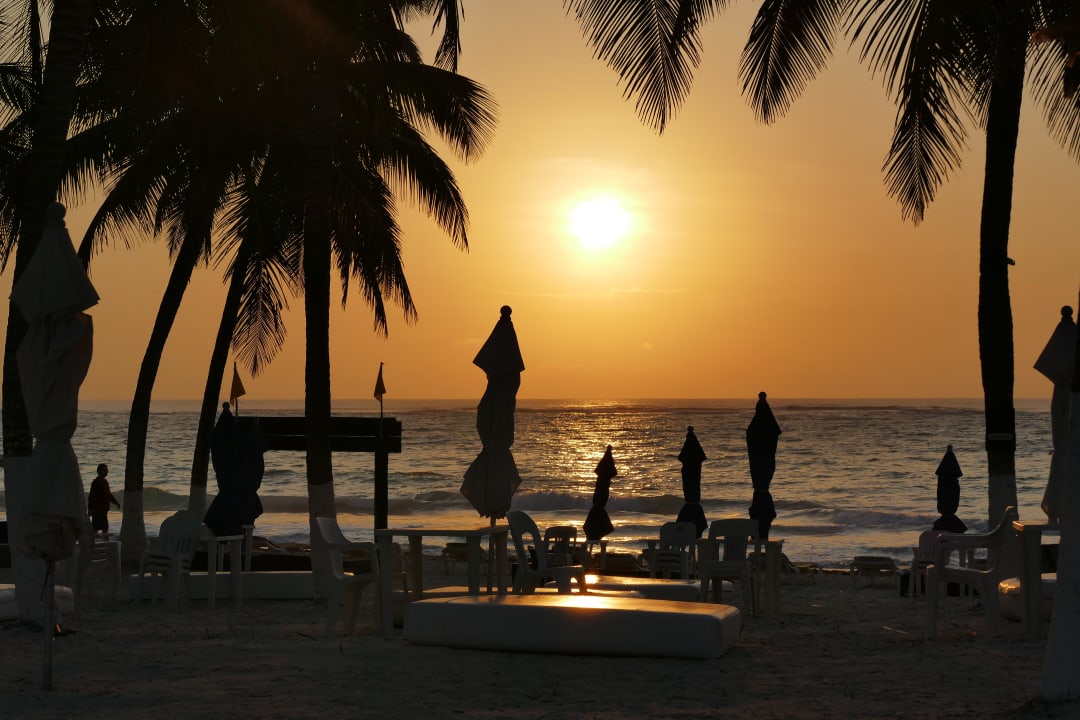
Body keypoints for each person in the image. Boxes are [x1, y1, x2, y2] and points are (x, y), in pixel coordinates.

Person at [87, 463, 120, 535]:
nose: (107, 472)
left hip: (103, 511)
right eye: (105, 470)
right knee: (95, 529)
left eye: (107, 470)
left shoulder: (105, 481)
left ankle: (106, 542)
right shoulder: (96, 482)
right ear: (100, 471)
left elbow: (109, 494)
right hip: (97, 511)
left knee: (105, 528)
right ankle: (90, 544)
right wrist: (90, 509)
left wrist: (115, 502)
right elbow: (91, 497)